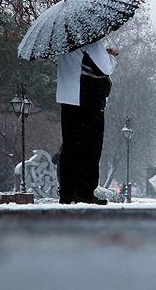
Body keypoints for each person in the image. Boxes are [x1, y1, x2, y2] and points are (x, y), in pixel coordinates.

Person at [56, 38, 118, 205]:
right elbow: (106, 67)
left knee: (70, 146)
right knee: (91, 146)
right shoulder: (90, 39)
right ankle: (84, 190)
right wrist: (111, 56)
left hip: (68, 97)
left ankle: (67, 192)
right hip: (88, 98)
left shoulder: (64, 41)